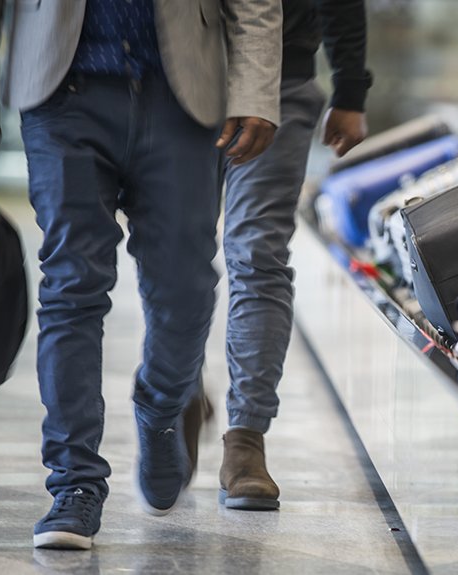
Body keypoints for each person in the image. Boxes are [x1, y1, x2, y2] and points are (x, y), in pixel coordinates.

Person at [0, 0, 282, 550]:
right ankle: (74, 484)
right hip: (62, 91)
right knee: (72, 284)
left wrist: (256, 89)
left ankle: (162, 404)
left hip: (184, 93)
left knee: (186, 288)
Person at [183, 0, 372, 511]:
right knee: (177, 253)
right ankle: (177, 387)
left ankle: (245, 439)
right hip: (178, 76)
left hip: (282, 77)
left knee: (257, 254)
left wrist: (351, 88)